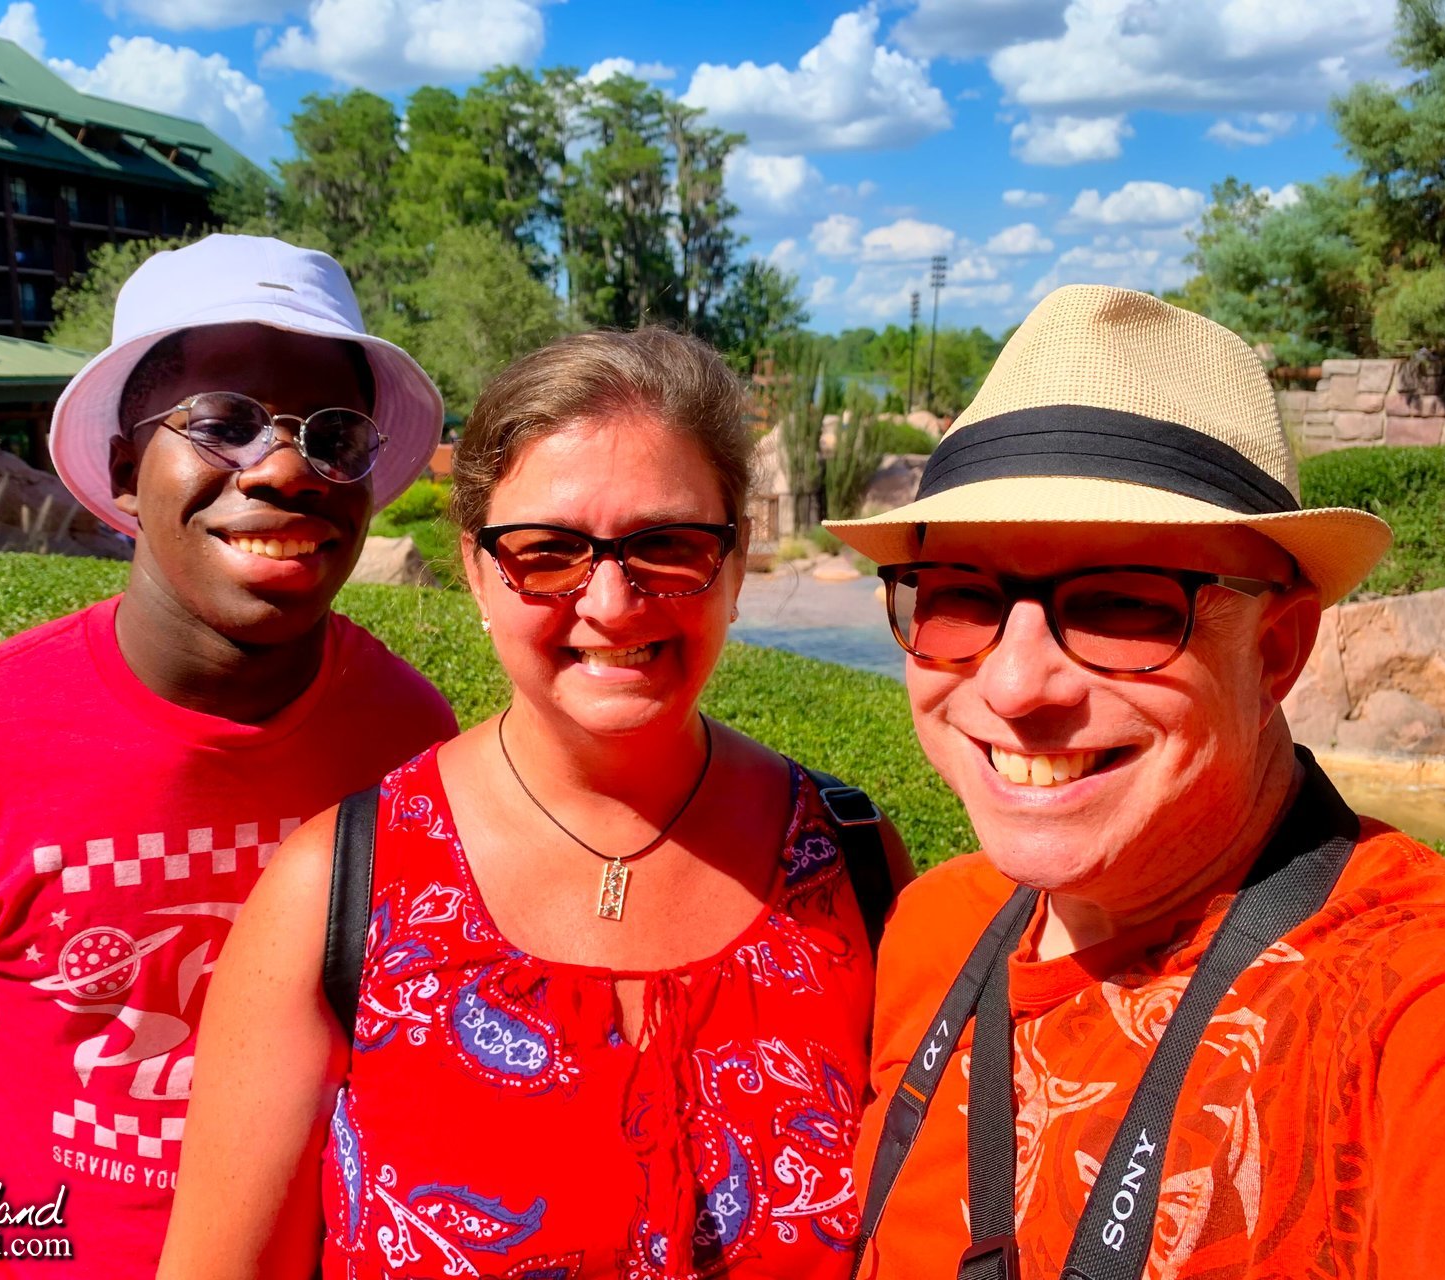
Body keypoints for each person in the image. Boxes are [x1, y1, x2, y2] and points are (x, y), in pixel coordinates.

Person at [159, 327, 916, 1280]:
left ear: (733, 563)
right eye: (547, 552)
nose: (610, 601)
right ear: (476, 570)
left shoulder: (852, 863)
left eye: (668, 545)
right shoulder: (339, 889)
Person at [0, 235, 459, 1278]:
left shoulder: (408, 736)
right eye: (222, 421)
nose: (283, 467)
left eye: (334, 433)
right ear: (128, 468)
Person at [828, 284, 1445, 1279]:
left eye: (1122, 603)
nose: (1014, 682)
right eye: (958, 598)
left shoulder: (1408, 1007)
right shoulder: (932, 928)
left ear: (1279, 648)